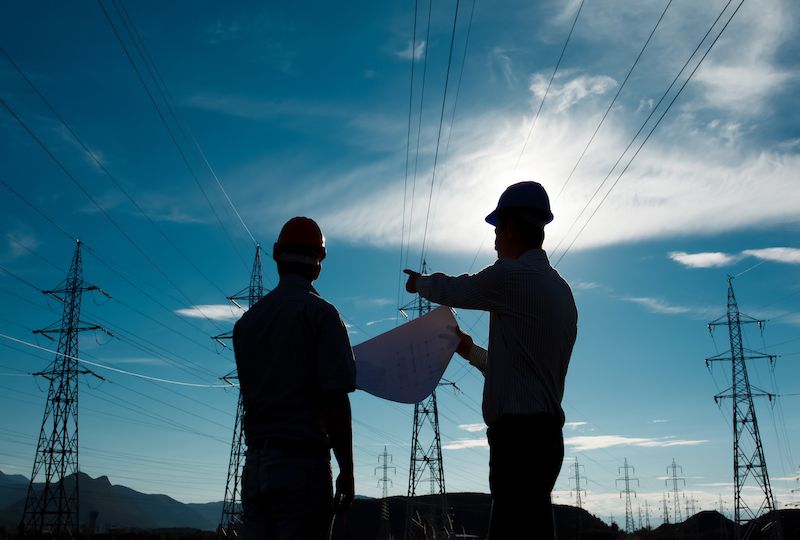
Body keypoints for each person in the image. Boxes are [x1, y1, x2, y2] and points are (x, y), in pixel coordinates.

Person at [404, 181, 578, 539]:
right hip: (545, 438)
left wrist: (419, 283)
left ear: (512, 226)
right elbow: (522, 372)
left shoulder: (511, 276)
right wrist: (469, 352)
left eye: (498, 229)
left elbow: (458, 289)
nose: (495, 239)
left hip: (518, 440)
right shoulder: (562, 290)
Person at [233, 216, 357, 540]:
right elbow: (334, 401)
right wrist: (347, 469)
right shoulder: (322, 315)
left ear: (277, 256)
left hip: (255, 465)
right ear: (319, 265)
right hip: (303, 466)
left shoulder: (246, 325)